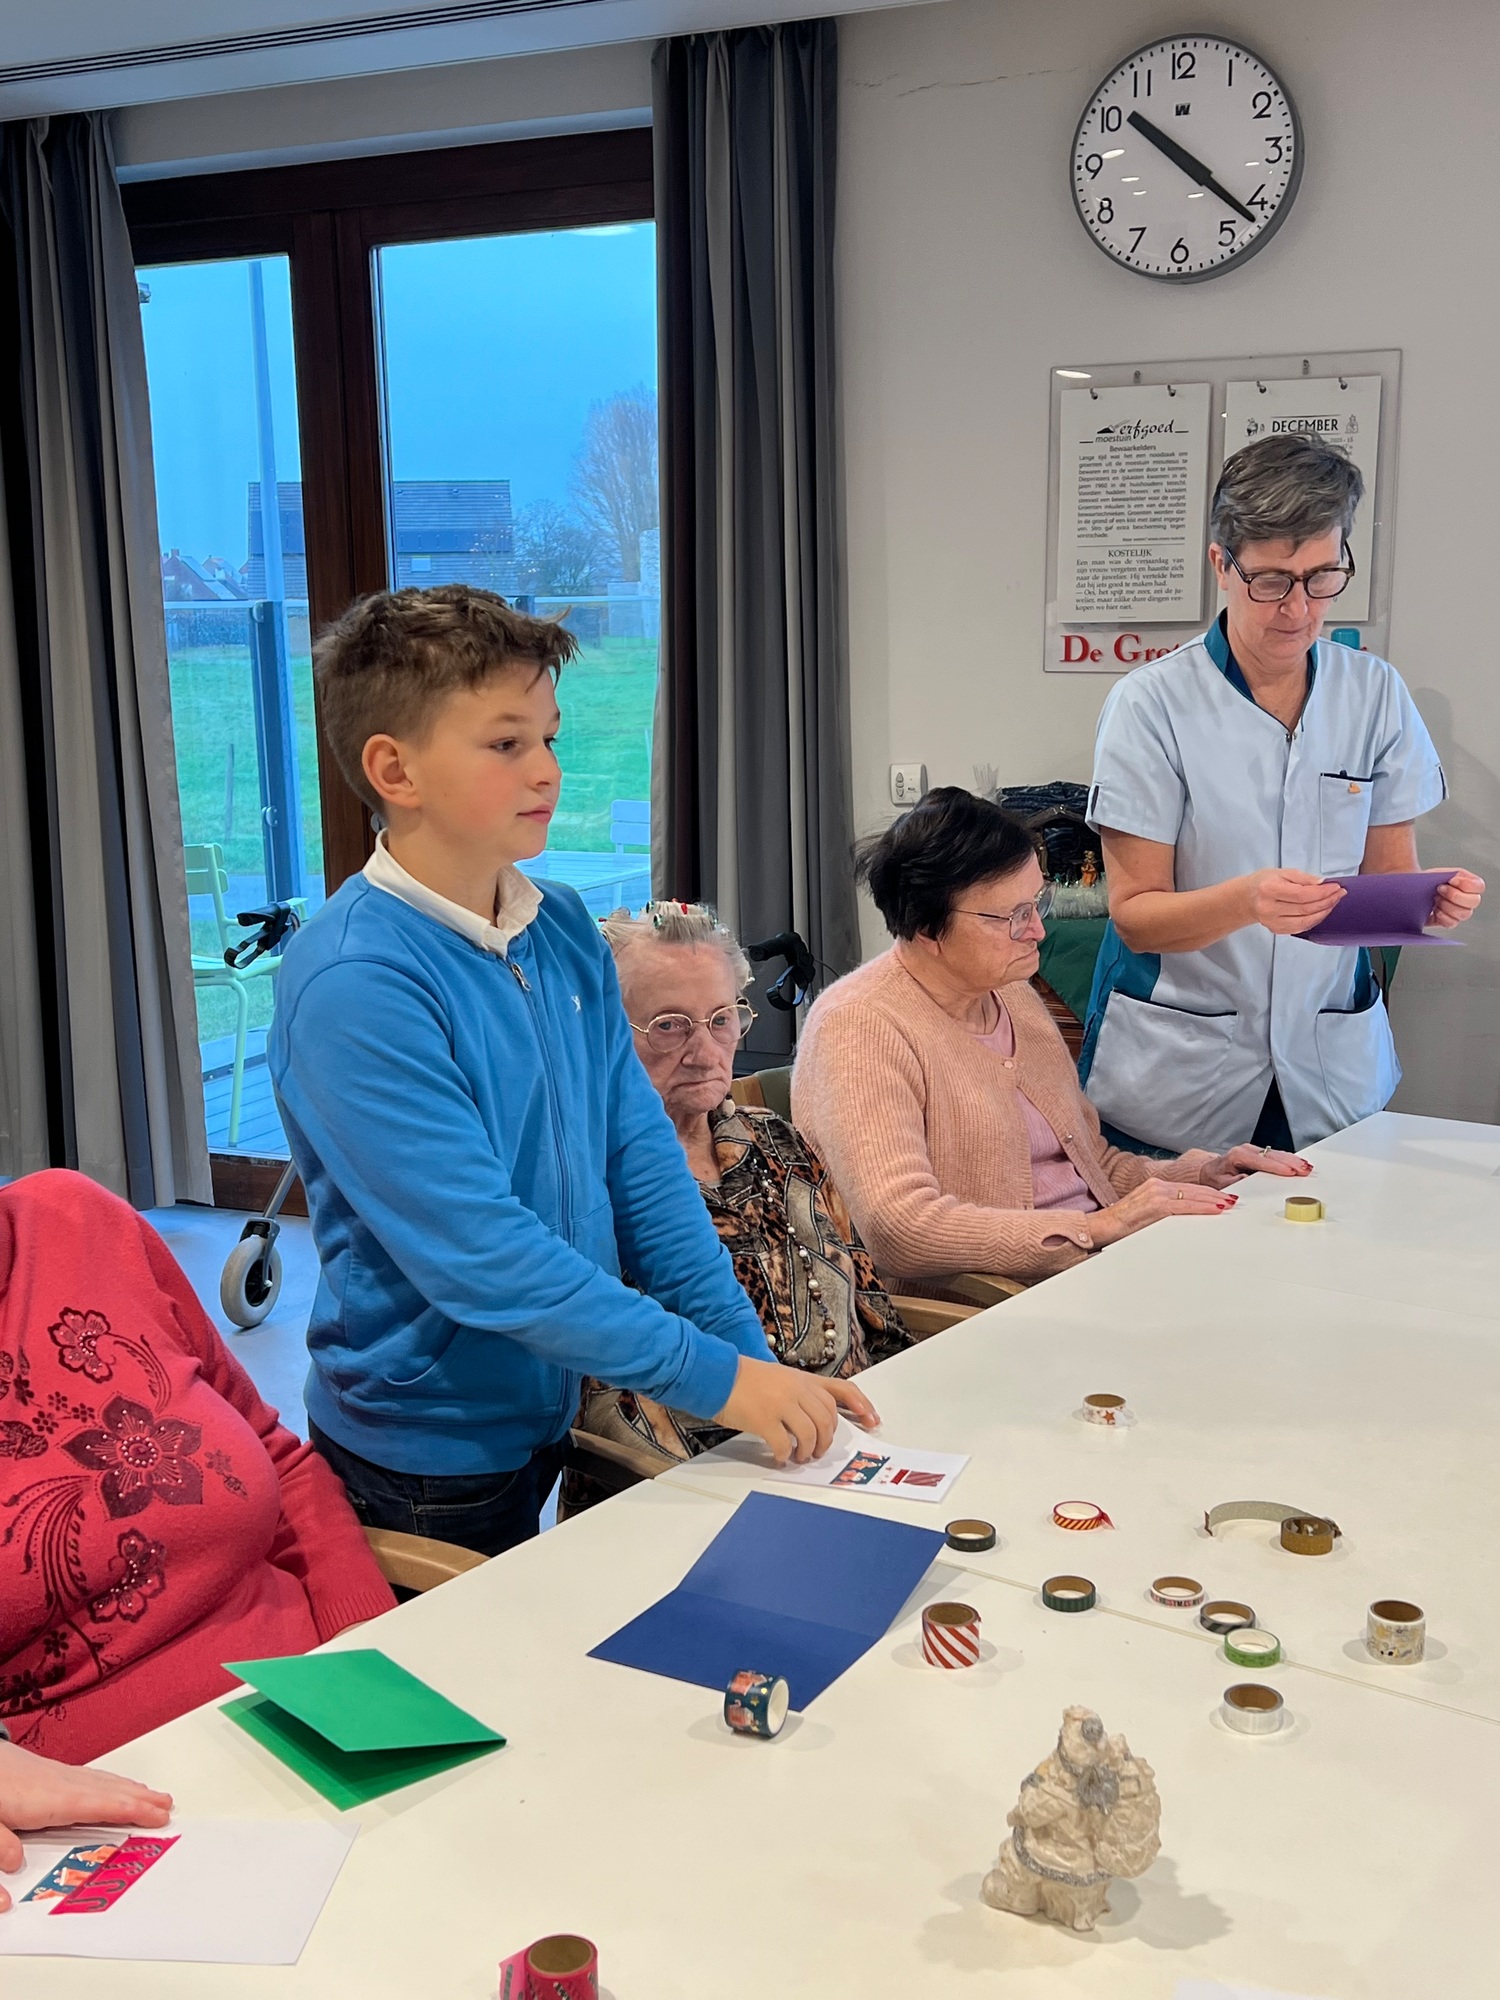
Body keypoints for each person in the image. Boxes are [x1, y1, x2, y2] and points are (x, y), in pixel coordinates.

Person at [268, 587, 875, 1556]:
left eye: (548, 738)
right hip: (428, 1444)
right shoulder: (356, 982)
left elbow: (640, 1164)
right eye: (506, 743)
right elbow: (484, 1256)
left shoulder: (557, 925)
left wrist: (749, 1362)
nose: (547, 769)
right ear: (395, 769)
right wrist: (718, 1380)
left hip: (557, 1392)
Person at [1082, 432, 1484, 1156]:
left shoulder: (1373, 694)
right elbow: (1137, 917)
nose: (1297, 608)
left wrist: (1425, 902)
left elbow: (1387, 880)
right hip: (1182, 1075)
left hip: (1329, 1067)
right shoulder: (1152, 705)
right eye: (1270, 580)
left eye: (1321, 576)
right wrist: (1247, 902)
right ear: (1221, 564)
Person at [791, 789, 1310, 1293]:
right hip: (990, 1307)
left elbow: (1093, 1166)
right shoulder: (859, 1025)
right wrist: (1100, 1228)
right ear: (927, 927)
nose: (1038, 931)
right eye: (1013, 916)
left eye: (1036, 903)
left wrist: (1200, 1176)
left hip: (1092, 1273)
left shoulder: (1012, 996)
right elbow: (901, 1231)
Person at [0, 1171, 395, 1790]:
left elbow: (275, 1456)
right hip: (106, 1805)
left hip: (321, 1710)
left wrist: (364, 1633)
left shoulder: (77, 1219)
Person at [568, 904, 910, 1485]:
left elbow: (873, 1311)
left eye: (722, 1019)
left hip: (845, 1443)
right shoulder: (585, 1180)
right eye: (669, 1025)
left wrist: (899, 1421)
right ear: (604, 1033)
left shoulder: (777, 1140)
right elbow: (602, 1401)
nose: (706, 1052)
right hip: (692, 1476)